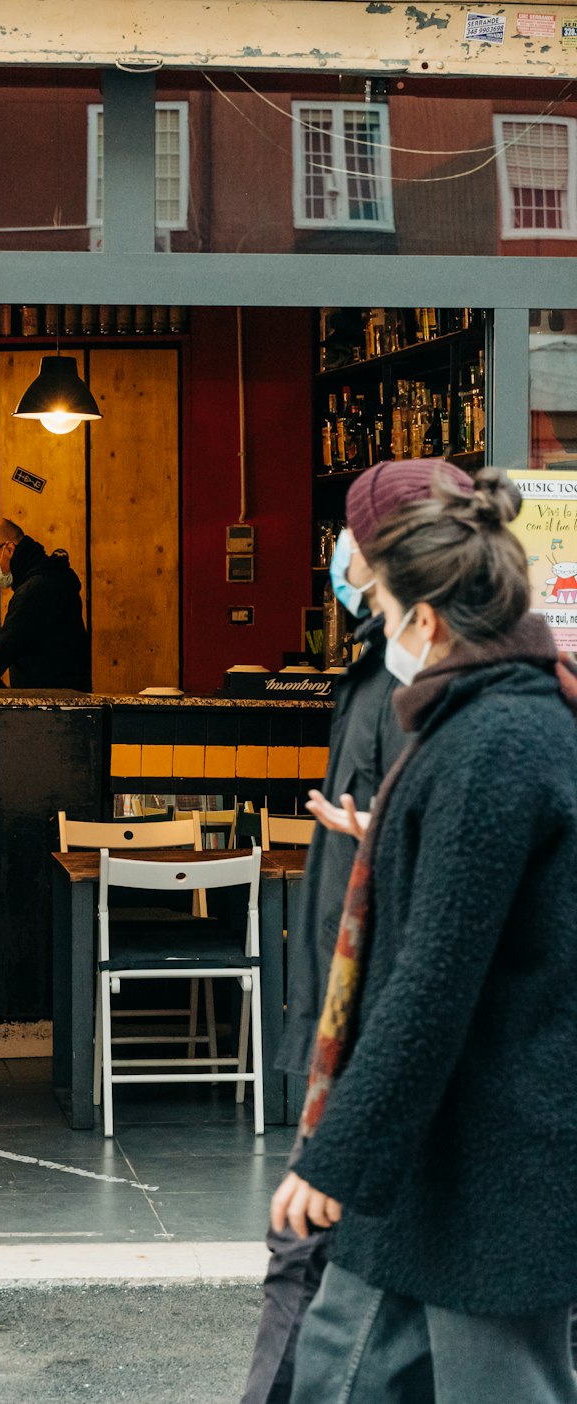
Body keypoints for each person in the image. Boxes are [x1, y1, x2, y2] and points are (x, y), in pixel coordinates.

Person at [272, 467, 577, 1404]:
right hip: (448, 1165)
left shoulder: (492, 745)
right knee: (340, 1369)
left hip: (488, 1167)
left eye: (383, 607)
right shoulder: (513, 724)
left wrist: (338, 1153)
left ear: (429, 622)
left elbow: (433, 980)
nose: (379, 629)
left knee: (482, 1385)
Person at [241, 460, 471, 1404]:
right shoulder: (388, 668)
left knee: (314, 1258)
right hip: (349, 1007)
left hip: (370, 1021)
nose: (344, 564)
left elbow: (441, 889)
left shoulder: (432, 688)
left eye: (355, 546)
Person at [0, 517, 92, 691]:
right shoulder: (52, 576)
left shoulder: (35, 590)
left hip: (52, 709)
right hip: (67, 700)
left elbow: (2, 652)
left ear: (9, 549)